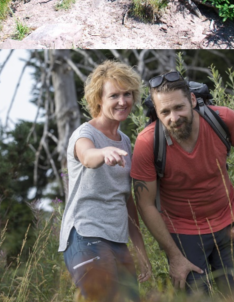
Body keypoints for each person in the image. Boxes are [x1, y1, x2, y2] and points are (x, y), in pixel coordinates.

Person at [130, 71, 234, 293]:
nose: (174, 117)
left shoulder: (224, 119)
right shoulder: (147, 142)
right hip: (183, 234)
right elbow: (145, 204)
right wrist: (174, 256)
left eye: (179, 107)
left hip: (228, 224)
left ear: (192, 100)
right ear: (157, 112)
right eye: (165, 112)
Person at [59, 61, 153, 302]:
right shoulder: (84, 134)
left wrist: (141, 252)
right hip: (85, 236)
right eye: (114, 95)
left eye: (127, 94)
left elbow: (126, 199)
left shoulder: (124, 142)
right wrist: (103, 154)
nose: (122, 101)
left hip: (117, 241)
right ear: (99, 99)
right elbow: (88, 156)